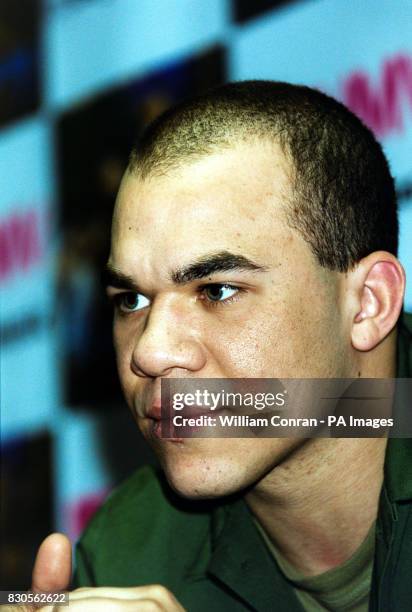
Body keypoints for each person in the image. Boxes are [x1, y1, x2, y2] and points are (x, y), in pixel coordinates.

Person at [5, 81, 411, 611]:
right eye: (131, 299)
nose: (149, 353)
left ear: (368, 304)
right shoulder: (132, 550)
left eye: (217, 290)